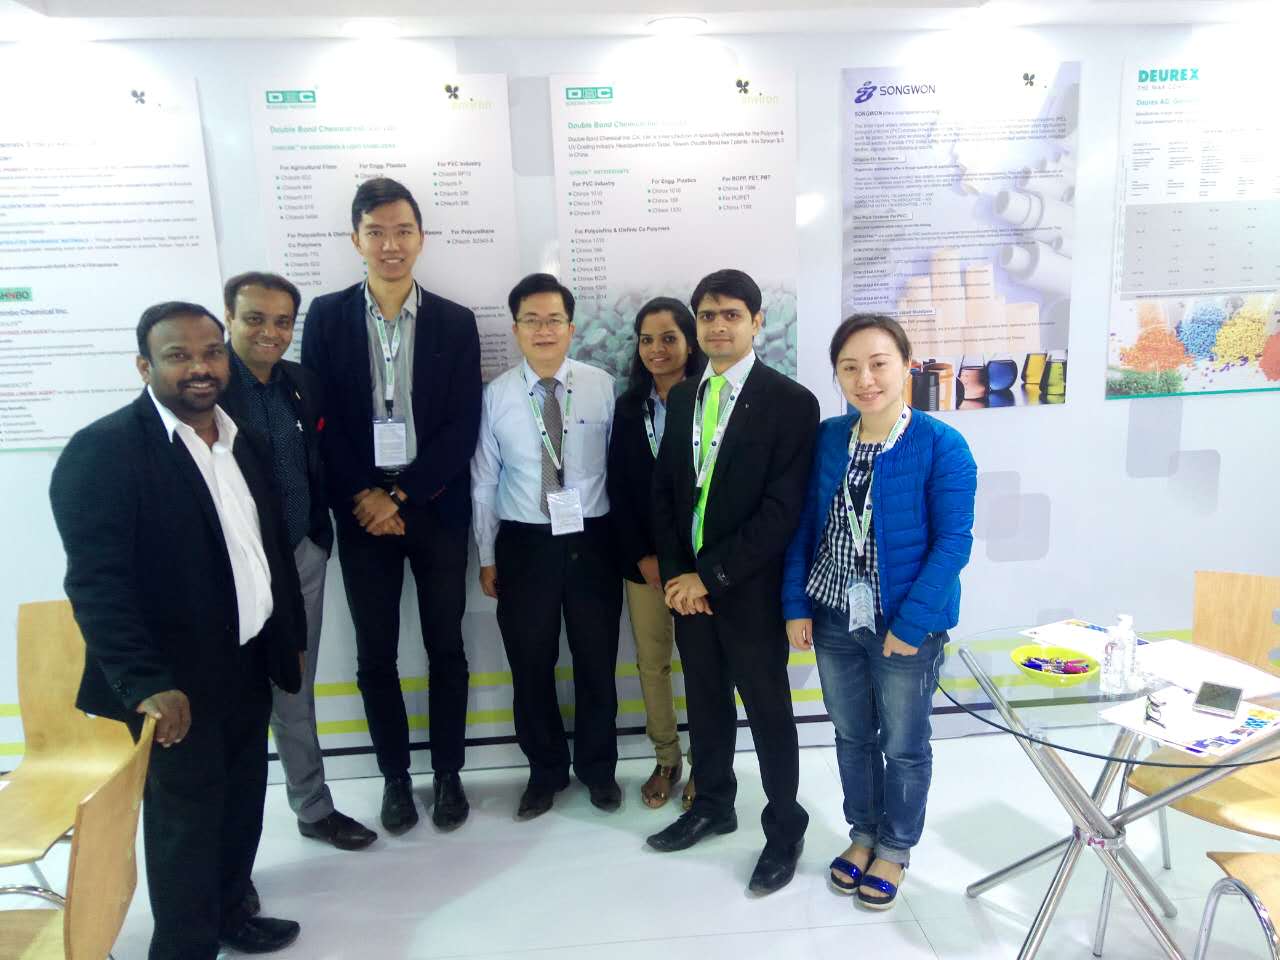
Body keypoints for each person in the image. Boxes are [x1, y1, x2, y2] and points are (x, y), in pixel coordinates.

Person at [49, 302, 306, 959]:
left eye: (212, 352)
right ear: (145, 366)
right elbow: (97, 586)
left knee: (243, 799)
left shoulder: (239, 437)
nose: (200, 367)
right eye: (178, 356)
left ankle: (230, 913)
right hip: (175, 681)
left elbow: (268, 550)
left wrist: (288, 638)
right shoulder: (105, 451)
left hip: (248, 659)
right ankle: (183, 947)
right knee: (185, 820)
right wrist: (144, 684)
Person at [301, 177, 481, 834]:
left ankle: (449, 774)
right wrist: (366, 496)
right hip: (360, 512)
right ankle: (396, 779)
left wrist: (400, 495)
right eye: (375, 232)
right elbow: (320, 421)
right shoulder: (326, 317)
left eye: (403, 230)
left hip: (435, 506)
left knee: (446, 647)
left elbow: (461, 426)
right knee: (374, 654)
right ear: (356, 240)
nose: (390, 244)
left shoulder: (455, 322)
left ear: (421, 238)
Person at [782, 314, 976, 910]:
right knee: (851, 736)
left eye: (878, 364)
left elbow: (953, 544)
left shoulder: (943, 446)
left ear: (905, 365)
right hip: (834, 616)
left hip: (905, 626)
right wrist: (795, 604)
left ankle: (895, 847)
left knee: (905, 744)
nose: (865, 379)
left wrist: (912, 625)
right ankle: (862, 834)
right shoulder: (828, 438)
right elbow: (804, 526)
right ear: (837, 375)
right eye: (850, 367)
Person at [647, 269, 819, 896]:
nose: (718, 326)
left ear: (756, 323)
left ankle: (785, 829)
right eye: (708, 315)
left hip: (748, 589)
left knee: (768, 710)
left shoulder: (791, 402)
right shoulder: (684, 398)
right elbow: (668, 494)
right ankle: (714, 804)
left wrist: (709, 576)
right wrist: (677, 575)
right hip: (688, 591)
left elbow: (782, 510)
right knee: (706, 700)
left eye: (731, 315)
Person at [221, 271, 377, 854]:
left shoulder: (302, 384)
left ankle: (313, 808)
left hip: (302, 556)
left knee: (295, 690)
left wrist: (321, 534)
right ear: (229, 318)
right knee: (235, 701)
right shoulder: (209, 389)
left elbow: (322, 461)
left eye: (282, 321)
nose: (270, 332)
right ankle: (231, 844)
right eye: (255, 319)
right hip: (233, 570)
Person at [471, 273, 622, 819]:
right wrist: (488, 556)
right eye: (531, 320)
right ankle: (545, 771)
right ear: (515, 329)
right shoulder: (496, 396)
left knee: (596, 661)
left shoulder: (602, 386)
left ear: (571, 328)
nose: (543, 330)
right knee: (530, 664)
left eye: (553, 319)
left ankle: (599, 770)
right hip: (525, 544)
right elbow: (483, 481)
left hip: (593, 542)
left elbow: (621, 470)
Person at [607, 296, 703, 809]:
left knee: (705, 665)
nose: (657, 349)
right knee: (652, 663)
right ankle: (667, 757)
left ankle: (707, 762)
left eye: (669, 338)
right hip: (644, 563)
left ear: (690, 342)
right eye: (647, 340)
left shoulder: (710, 399)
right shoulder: (628, 408)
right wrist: (642, 556)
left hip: (701, 566)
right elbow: (618, 488)